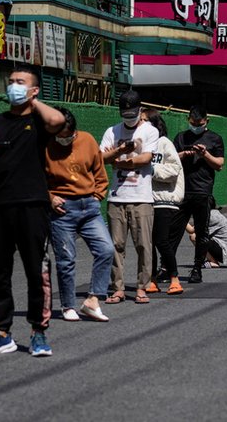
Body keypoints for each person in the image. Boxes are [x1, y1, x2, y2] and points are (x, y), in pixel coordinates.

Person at [0, 67, 65, 358]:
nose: (13, 86)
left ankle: (39, 332)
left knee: (37, 272)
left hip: (33, 205)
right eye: (10, 81)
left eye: (20, 83)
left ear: (34, 90)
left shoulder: (39, 122)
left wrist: (32, 101)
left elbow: (58, 120)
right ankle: (1, 332)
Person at [45, 107, 115, 322]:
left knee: (106, 249)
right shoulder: (43, 145)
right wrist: (49, 197)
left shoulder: (87, 140)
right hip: (61, 208)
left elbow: (99, 171)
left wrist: (97, 195)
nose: (66, 140)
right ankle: (68, 306)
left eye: (70, 135)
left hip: (89, 206)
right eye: (61, 136)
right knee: (66, 259)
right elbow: (32, 176)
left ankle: (93, 300)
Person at [99, 91, 158, 305]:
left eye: (132, 113)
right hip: (116, 197)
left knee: (144, 244)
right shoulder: (112, 131)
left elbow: (146, 158)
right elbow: (102, 157)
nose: (129, 117)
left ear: (140, 110)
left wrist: (121, 162)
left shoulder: (150, 131)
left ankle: (142, 287)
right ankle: (118, 288)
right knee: (116, 246)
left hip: (142, 196)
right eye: (125, 113)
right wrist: (119, 151)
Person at [170, 106, 225, 284]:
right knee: (173, 231)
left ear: (206, 121)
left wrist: (205, 154)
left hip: (203, 191)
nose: (196, 126)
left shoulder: (215, 139)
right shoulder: (181, 137)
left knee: (202, 232)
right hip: (182, 190)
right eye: (193, 123)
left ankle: (197, 268)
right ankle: (168, 268)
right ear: (189, 120)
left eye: (199, 123)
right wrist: (184, 154)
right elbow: (170, 159)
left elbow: (219, 164)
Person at [146, 111, 185, 295]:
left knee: (161, 240)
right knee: (148, 243)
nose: (142, 125)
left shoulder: (164, 143)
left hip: (164, 199)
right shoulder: (140, 144)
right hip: (145, 199)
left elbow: (174, 168)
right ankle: (152, 279)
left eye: (146, 121)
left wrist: (151, 168)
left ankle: (174, 277)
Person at [186, 197, 227, 268]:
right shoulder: (213, 213)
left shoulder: (210, 216)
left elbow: (191, 230)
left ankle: (213, 262)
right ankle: (209, 259)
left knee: (194, 236)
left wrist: (181, 218)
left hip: (224, 253)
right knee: (200, 236)